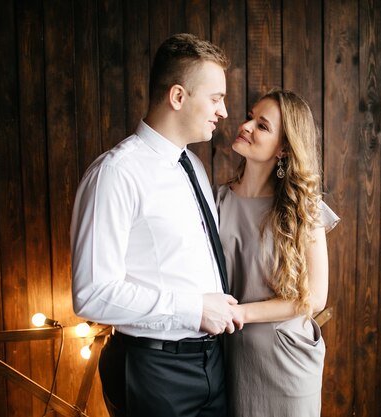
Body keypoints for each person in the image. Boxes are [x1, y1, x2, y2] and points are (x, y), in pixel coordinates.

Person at [70, 33, 240, 417]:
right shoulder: (116, 174)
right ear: (178, 97)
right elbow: (91, 293)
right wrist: (192, 310)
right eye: (216, 98)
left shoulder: (192, 166)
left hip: (212, 364)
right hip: (153, 372)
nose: (224, 111)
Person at [215, 88, 339, 417]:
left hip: (286, 361)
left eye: (262, 125)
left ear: (283, 148)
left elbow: (314, 299)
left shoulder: (303, 208)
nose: (247, 126)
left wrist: (242, 313)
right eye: (250, 117)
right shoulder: (218, 201)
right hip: (232, 358)